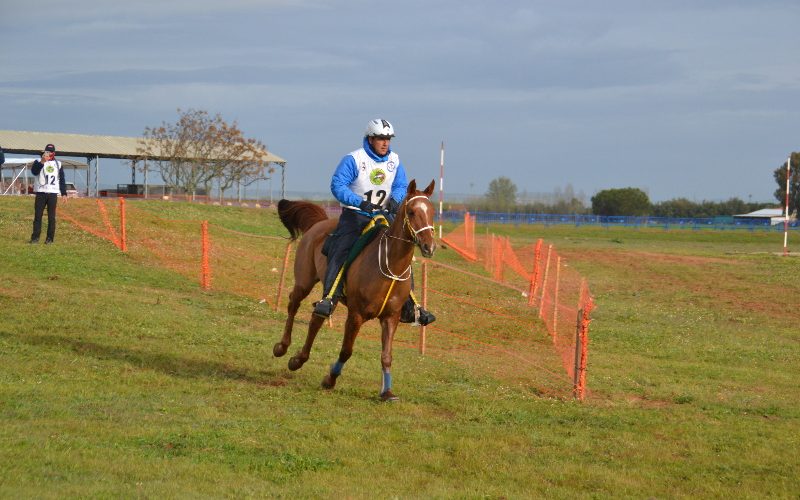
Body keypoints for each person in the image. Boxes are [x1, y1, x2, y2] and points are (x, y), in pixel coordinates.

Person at [313, 119, 436, 325]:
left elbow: (400, 185)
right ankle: (329, 297)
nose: (385, 143)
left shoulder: (394, 161)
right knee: (341, 248)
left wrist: (395, 202)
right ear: (370, 139)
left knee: (400, 251)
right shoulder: (354, 159)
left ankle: (410, 306)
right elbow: (338, 185)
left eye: (388, 139)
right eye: (380, 138)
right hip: (356, 215)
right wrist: (360, 203)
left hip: (384, 215)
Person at [30, 144, 67, 244]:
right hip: (41, 192)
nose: (49, 154)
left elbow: (62, 179)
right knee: (38, 216)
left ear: (54, 153)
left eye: (51, 152)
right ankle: (35, 238)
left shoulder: (58, 164)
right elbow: (34, 172)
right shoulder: (38, 161)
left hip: (53, 193)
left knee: (51, 217)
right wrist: (42, 161)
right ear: (44, 152)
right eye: (47, 151)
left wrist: (64, 193)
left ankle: (49, 239)